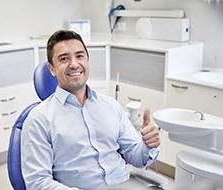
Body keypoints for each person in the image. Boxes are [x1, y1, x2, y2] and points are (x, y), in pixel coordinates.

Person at [21, 30, 160, 190]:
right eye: (64, 58)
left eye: (79, 56)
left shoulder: (111, 106)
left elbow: (135, 156)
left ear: (87, 61)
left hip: (124, 185)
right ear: (52, 69)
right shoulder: (39, 119)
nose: (74, 64)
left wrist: (147, 145)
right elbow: (37, 183)